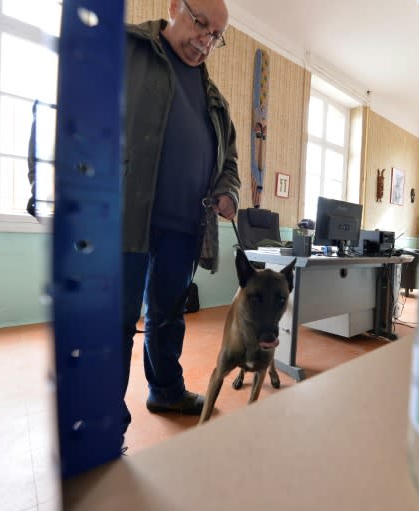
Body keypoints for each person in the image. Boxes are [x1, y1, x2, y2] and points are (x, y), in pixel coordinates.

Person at [120, 0, 240, 445]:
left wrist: (229, 192)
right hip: (128, 217)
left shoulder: (217, 101)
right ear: (175, 6)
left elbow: (229, 163)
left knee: (168, 316)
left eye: (215, 36)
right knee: (118, 319)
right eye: (200, 24)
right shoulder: (127, 49)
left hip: (184, 228)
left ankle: (165, 392)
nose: (204, 40)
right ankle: (106, 422)